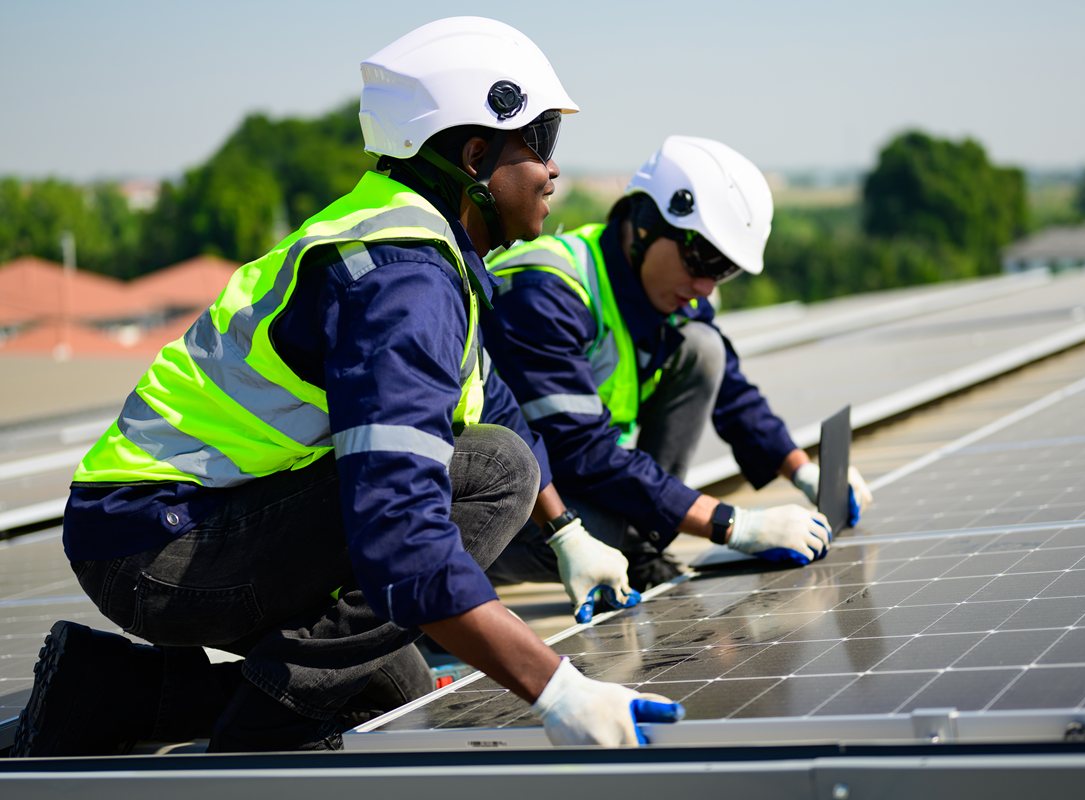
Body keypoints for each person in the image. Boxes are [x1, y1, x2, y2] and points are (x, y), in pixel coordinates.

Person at [12, 17, 679, 756]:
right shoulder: (402, 284)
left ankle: (103, 693)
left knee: (395, 696)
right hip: (159, 544)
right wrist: (556, 686)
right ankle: (257, 737)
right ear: (476, 155)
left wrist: (566, 534)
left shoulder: (422, 246)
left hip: (178, 523)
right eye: (542, 139)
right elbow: (400, 534)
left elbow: (492, 403)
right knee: (494, 473)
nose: (555, 170)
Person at [482, 136, 874, 600]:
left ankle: (641, 543)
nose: (707, 285)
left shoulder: (666, 285)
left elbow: (731, 388)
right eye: (702, 259)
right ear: (645, 224)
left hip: (584, 474)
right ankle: (440, 598)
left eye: (723, 270)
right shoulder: (546, 295)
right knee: (609, 528)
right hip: (501, 506)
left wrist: (803, 469)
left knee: (705, 348)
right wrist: (732, 524)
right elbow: (583, 452)